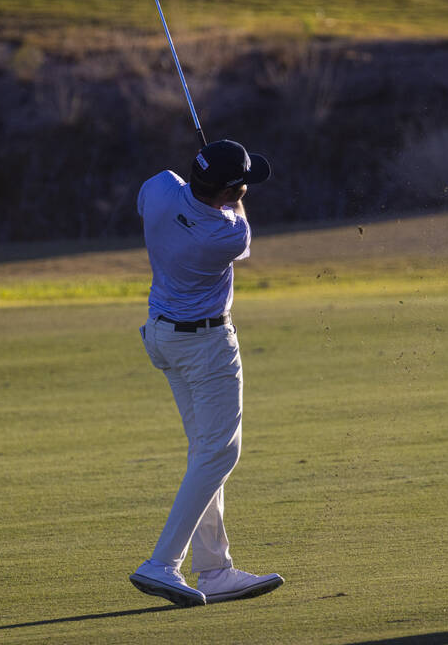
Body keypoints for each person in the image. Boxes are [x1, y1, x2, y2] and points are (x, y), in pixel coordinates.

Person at [129, 138, 285, 608]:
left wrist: (211, 176)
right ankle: (162, 564)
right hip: (205, 345)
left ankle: (214, 569)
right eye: (242, 184)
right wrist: (226, 191)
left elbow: (169, 193)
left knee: (205, 453)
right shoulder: (227, 235)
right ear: (231, 190)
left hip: (163, 336)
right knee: (219, 454)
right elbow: (240, 227)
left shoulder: (158, 187)